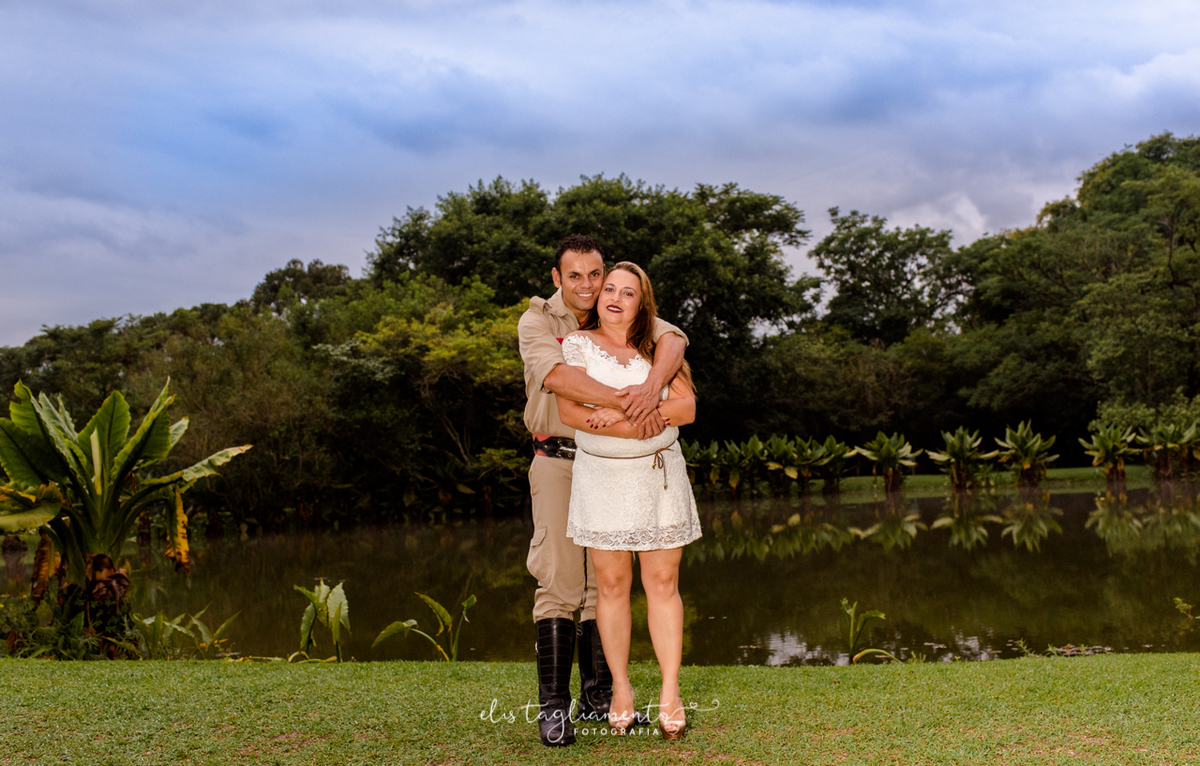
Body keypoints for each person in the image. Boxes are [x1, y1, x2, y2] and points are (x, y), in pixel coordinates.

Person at [517, 234, 687, 747]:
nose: (589, 285)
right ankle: (553, 707)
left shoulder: (619, 311)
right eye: (577, 276)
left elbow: (674, 339)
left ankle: (601, 695)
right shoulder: (539, 322)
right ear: (557, 277)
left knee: (603, 589)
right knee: (561, 582)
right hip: (560, 460)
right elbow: (561, 379)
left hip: (620, 464)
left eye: (597, 275)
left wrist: (654, 380)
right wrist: (634, 402)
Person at [555, 261, 701, 740]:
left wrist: (625, 411)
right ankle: (620, 689)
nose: (615, 297)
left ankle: (670, 692)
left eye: (628, 292)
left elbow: (686, 408)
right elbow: (570, 410)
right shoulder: (576, 345)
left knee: (663, 582)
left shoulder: (657, 348)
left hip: (659, 476)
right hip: (602, 479)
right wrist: (634, 414)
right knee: (612, 587)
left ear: (643, 302)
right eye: (609, 288)